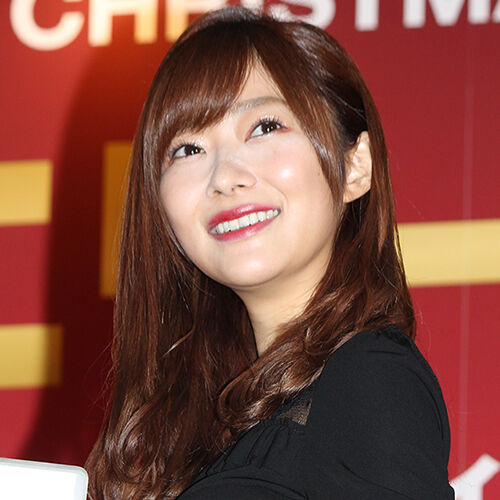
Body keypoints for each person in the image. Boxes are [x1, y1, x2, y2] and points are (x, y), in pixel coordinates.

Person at [86, 6, 454, 499]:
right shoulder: (200, 428)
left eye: (264, 127)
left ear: (355, 167)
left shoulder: (370, 377)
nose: (224, 177)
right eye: (188, 149)